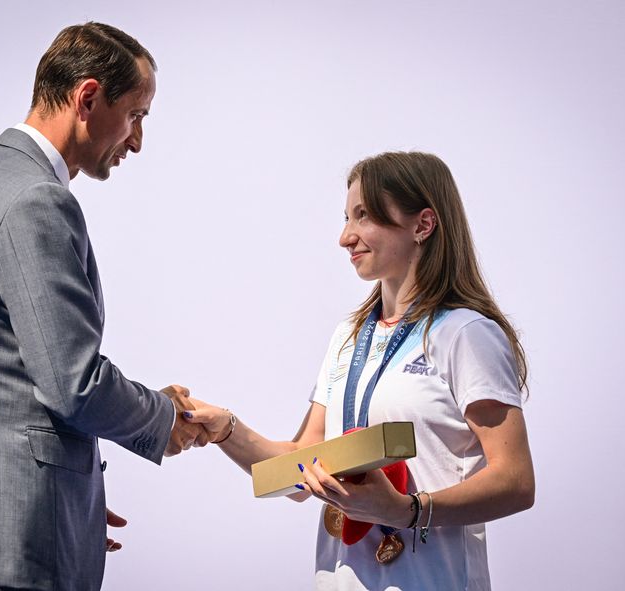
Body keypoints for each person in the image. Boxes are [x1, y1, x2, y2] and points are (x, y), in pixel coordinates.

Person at [0, 22, 206, 591]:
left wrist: (55, 497)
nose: (136, 141)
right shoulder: (38, 201)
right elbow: (73, 384)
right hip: (12, 555)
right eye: (136, 115)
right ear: (88, 98)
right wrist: (162, 418)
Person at [184, 152, 535, 590]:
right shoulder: (348, 336)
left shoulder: (465, 333)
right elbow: (301, 466)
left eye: (363, 215)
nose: (345, 237)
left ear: (423, 225)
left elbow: (516, 481)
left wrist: (408, 511)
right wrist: (226, 430)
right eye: (347, 217)